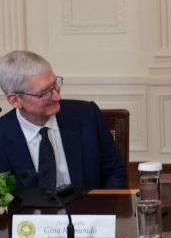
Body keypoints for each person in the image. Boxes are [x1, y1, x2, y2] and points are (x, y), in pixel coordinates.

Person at [0, 50, 127, 191]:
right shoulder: (2, 135)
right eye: (44, 93)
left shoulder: (88, 116)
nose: (57, 97)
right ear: (15, 100)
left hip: (89, 204)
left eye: (55, 84)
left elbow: (115, 173)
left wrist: (99, 205)